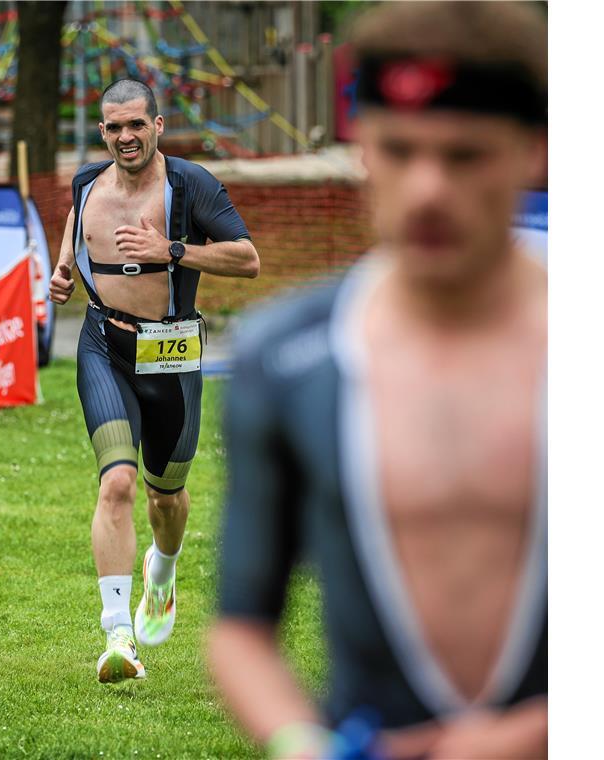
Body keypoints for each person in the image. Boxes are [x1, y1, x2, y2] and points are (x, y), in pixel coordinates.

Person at [208, 3, 547, 758]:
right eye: (398, 150)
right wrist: (304, 744)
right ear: (362, 151)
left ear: (535, 152)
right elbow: (240, 628)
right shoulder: (286, 354)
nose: (427, 188)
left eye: (464, 156)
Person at [49, 79, 259, 683]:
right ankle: (117, 637)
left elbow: (247, 258)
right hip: (103, 345)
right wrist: (66, 269)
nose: (125, 137)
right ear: (102, 132)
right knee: (116, 481)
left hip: (169, 352)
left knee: (165, 496)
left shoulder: (190, 186)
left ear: (158, 125)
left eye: (136, 125)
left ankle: (161, 574)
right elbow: (74, 218)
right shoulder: (87, 181)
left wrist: (172, 249)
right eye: (114, 128)